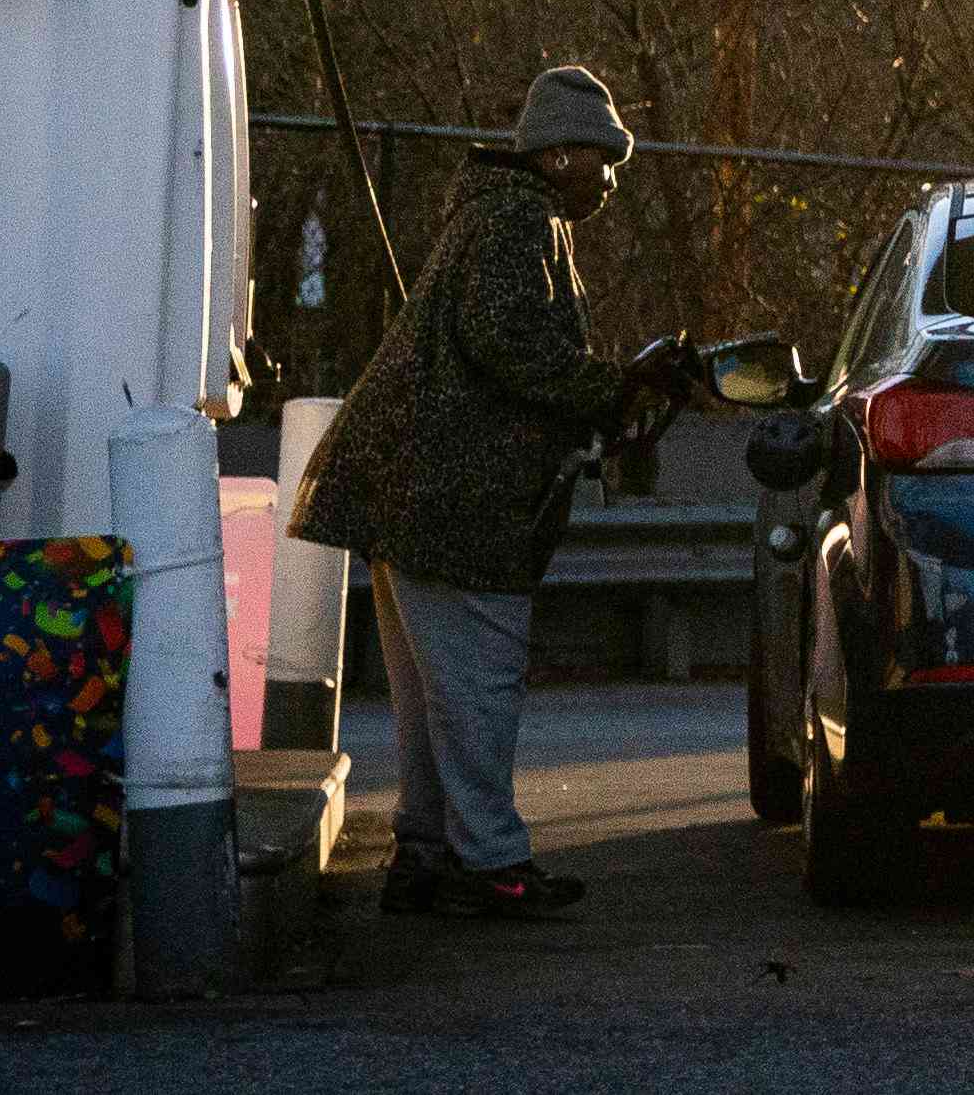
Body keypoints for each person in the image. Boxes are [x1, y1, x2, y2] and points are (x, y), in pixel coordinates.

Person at [288, 62, 680, 919]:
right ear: (560, 152)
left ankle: (425, 855)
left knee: (434, 697)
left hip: (410, 491)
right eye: (602, 158)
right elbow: (510, 345)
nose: (610, 179)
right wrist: (613, 388)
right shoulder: (515, 222)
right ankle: (490, 864)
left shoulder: (496, 214)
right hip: (455, 499)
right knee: (477, 684)